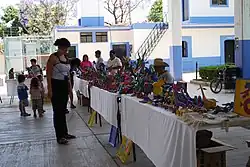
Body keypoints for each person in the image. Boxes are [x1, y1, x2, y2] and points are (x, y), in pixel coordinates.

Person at [46, 38, 76, 145]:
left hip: (64, 85)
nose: (66, 50)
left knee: (63, 110)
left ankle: (65, 133)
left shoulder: (66, 58)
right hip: (55, 85)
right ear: (60, 47)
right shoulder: (53, 58)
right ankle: (59, 136)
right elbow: (48, 74)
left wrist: (69, 86)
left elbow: (67, 74)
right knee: (57, 112)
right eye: (64, 48)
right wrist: (49, 89)